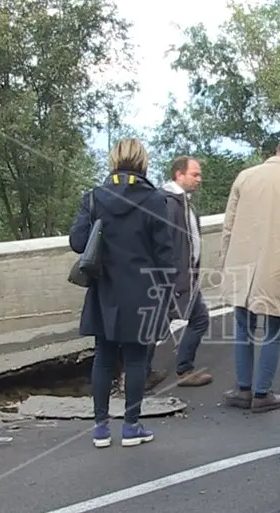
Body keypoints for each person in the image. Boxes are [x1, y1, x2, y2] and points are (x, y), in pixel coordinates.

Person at [70, 137, 177, 447]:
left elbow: (78, 242)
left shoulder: (94, 197)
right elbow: (165, 254)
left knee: (103, 357)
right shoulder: (156, 200)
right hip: (143, 291)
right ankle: (131, 426)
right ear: (143, 162)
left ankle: (101, 429)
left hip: (104, 287)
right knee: (135, 359)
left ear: (113, 160)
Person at [218, 134, 280, 413]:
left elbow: (228, 226)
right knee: (274, 327)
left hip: (241, 264)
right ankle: (262, 392)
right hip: (278, 264)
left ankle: (243, 388)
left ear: (277, 151)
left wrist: (225, 263)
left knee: (242, 327)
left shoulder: (245, 177)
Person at [149, 155, 213, 388]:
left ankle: (152, 372)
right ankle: (177, 370)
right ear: (179, 174)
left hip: (184, 277)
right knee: (162, 324)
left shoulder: (183, 202)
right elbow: (163, 243)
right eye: (195, 174)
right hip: (173, 279)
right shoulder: (168, 203)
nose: (199, 179)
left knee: (184, 320)